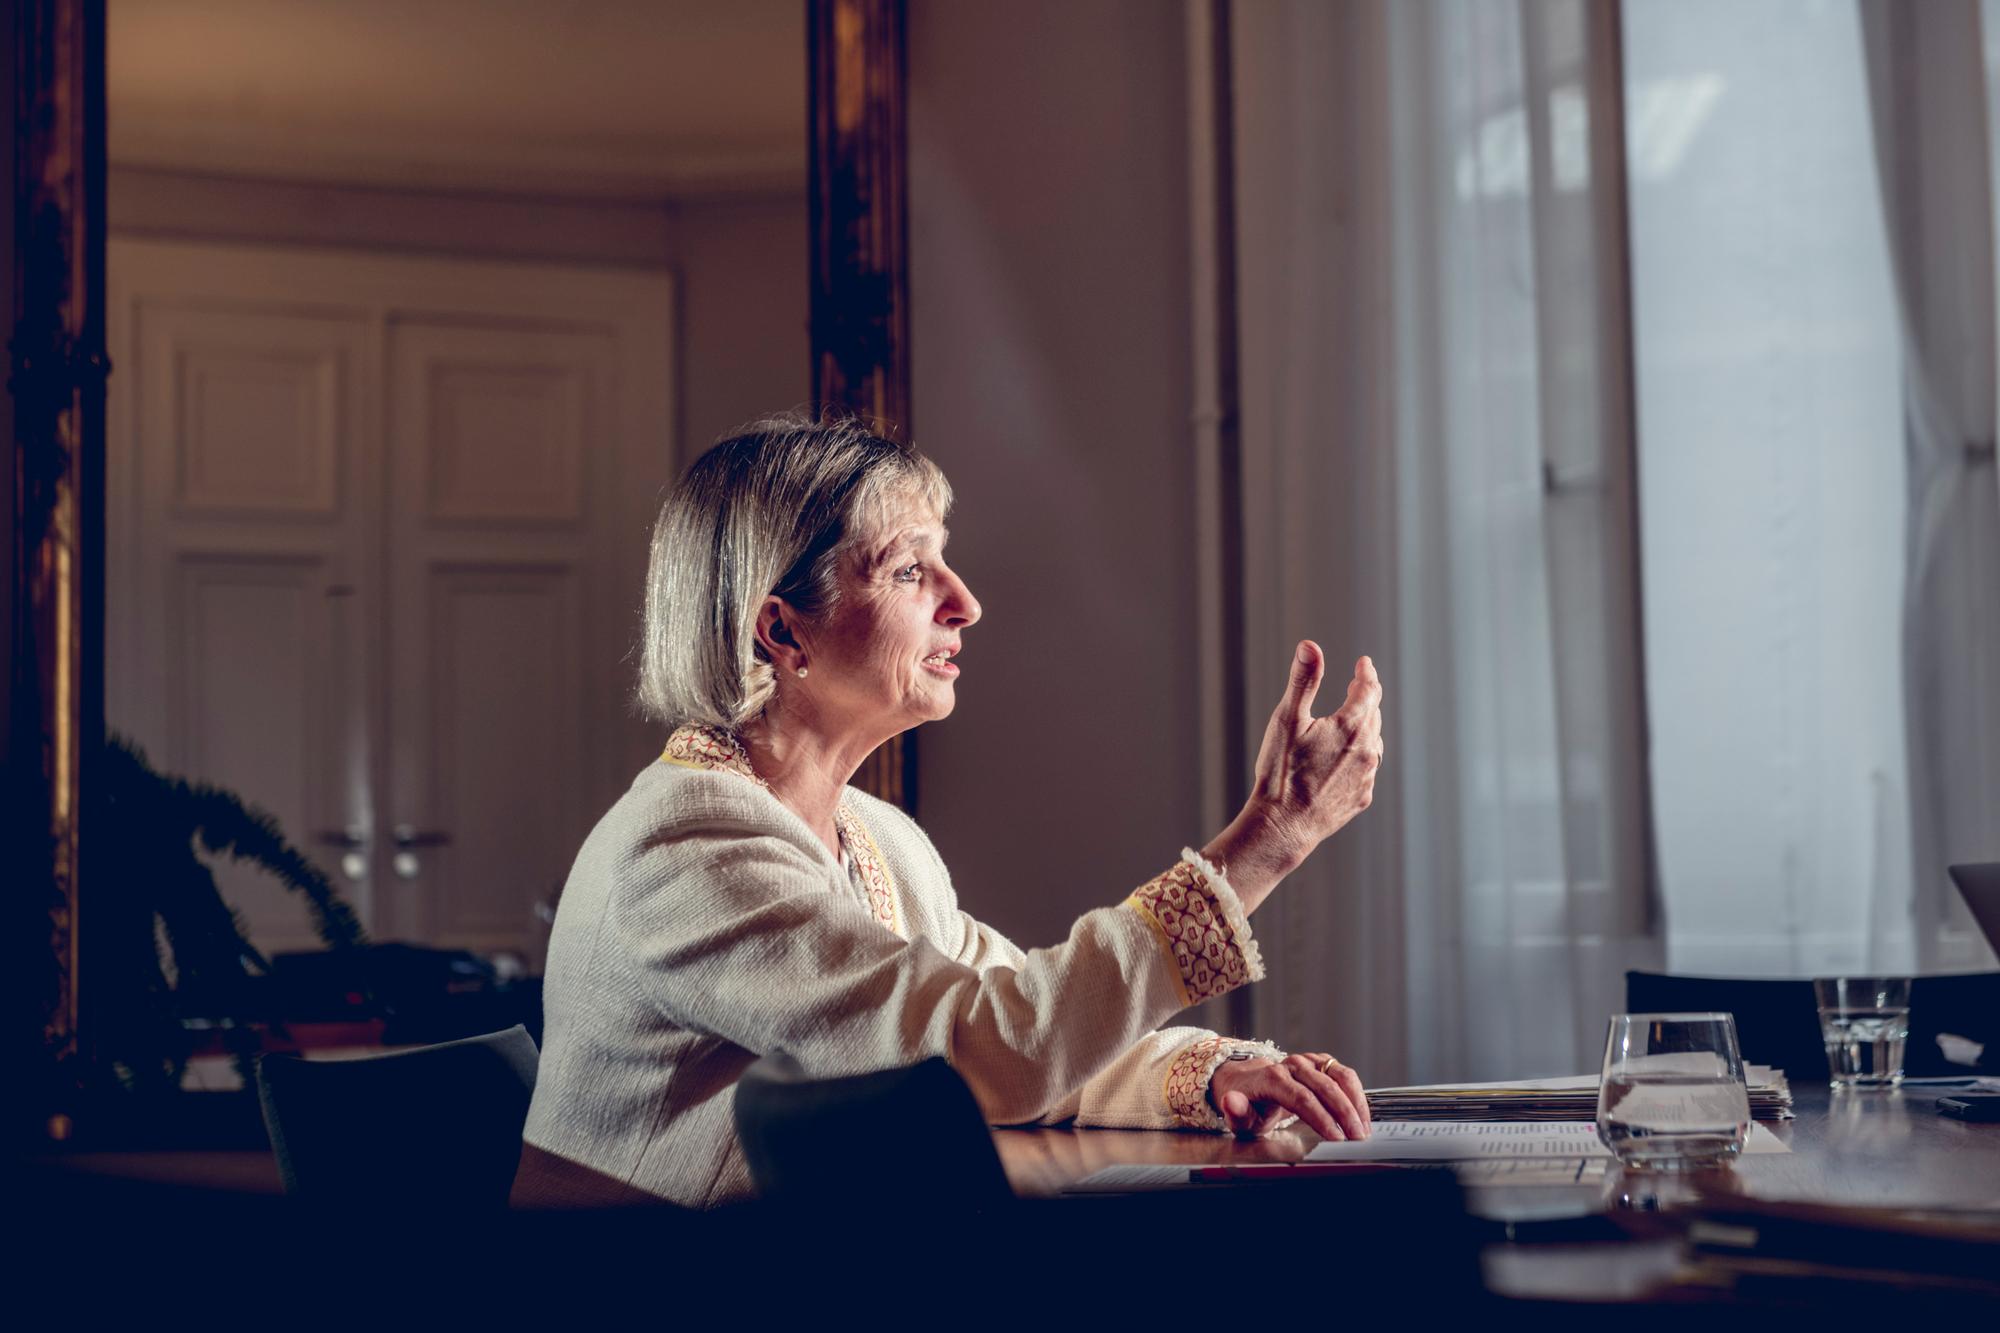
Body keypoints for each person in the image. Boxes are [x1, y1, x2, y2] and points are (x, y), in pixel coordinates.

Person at [521, 413, 1386, 1207]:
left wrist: (1214, 1073)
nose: (964, 601)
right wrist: (1265, 843)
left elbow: (1037, 1033)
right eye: (908, 568)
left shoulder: (877, 838)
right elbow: (983, 1052)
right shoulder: (687, 850)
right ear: (783, 634)